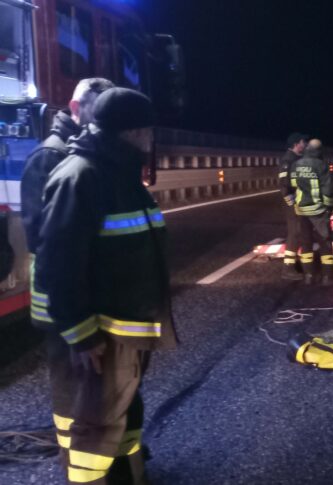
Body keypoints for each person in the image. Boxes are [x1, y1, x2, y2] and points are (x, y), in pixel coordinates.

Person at [36, 87, 177, 485]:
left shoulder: (119, 173)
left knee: (122, 420)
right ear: (132, 132)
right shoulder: (81, 176)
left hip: (122, 333)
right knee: (92, 430)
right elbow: (58, 264)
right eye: (147, 131)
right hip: (99, 336)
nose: (151, 140)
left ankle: (129, 477)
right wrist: (81, 336)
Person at [22, 77, 114, 330]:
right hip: (59, 308)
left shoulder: (89, 151)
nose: (102, 123)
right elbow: (44, 240)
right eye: (97, 113)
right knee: (67, 368)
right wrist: (70, 312)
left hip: (82, 296)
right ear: (75, 108)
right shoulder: (51, 155)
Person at [292, 139, 333, 287]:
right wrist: (329, 207)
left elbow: (293, 184)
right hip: (318, 210)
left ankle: (309, 276)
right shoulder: (321, 165)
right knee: (324, 243)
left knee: (306, 244)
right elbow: (328, 190)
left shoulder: (296, 164)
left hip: (301, 210)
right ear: (319, 151)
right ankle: (328, 277)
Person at [279, 132, 309, 280]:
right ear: (297, 144)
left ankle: (296, 265)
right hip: (293, 204)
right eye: (303, 142)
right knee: (294, 233)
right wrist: (292, 204)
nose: (305, 144)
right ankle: (288, 268)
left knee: (299, 233)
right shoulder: (288, 160)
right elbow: (284, 185)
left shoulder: (298, 159)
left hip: (300, 203)